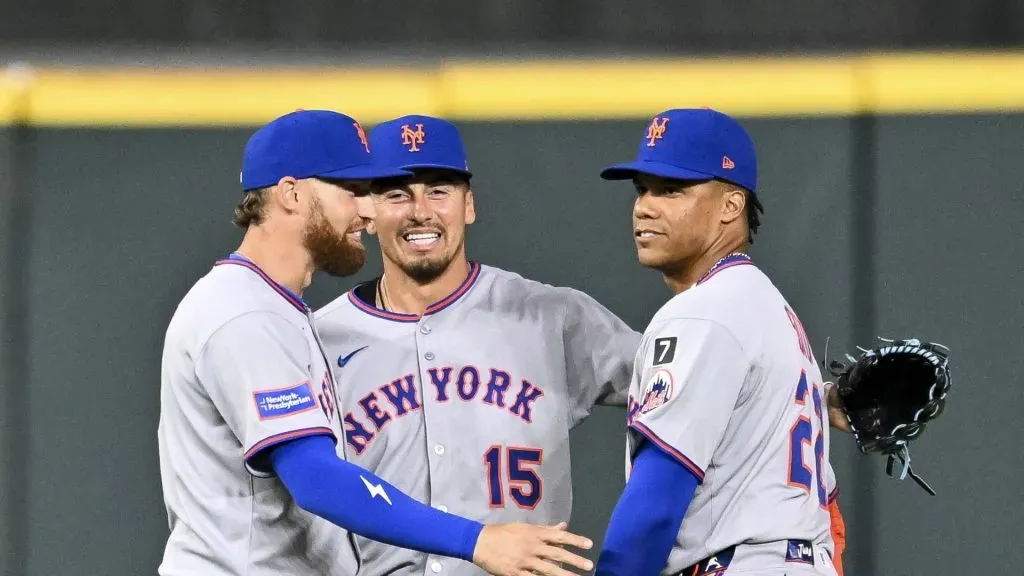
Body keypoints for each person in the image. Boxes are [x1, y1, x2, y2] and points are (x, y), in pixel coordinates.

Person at [156, 109, 595, 576]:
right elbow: (316, 480)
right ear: (291, 193)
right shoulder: (244, 313)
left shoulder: (276, 309)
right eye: (351, 191)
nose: (367, 212)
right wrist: (475, 538)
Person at [314, 114, 641, 576]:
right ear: (367, 213)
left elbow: (686, 388)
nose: (420, 211)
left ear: (469, 205)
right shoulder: (321, 339)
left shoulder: (549, 316)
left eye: (439, 191)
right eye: (396, 194)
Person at [592, 108, 846, 576]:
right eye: (642, 189)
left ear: (731, 206)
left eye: (672, 190)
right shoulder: (771, 311)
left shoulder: (703, 312)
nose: (645, 206)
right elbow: (828, 515)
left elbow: (655, 503)